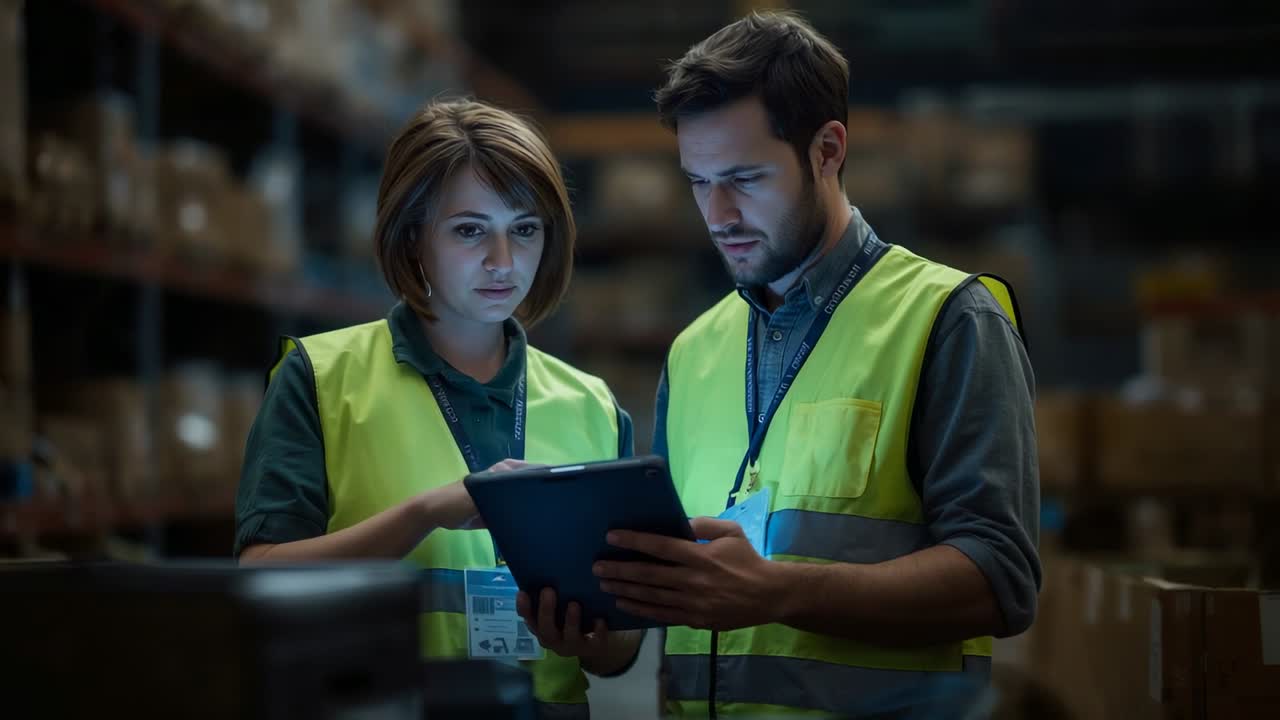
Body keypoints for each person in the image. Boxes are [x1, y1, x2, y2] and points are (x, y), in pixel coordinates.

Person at [591, 11, 1042, 717]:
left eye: (743, 178)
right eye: (697, 181)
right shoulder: (694, 351)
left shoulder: (947, 320)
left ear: (828, 149)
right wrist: (594, 623)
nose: (717, 214)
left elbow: (1000, 577)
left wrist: (780, 592)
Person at [235, 99, 643, 718]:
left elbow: (618, 653)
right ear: (412, 235)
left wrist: (593, 637)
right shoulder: (320, 378)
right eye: (470, 230)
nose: (504, 262)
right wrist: (427, 512)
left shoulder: (594, 406)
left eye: (525, 229)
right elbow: (259, 578)